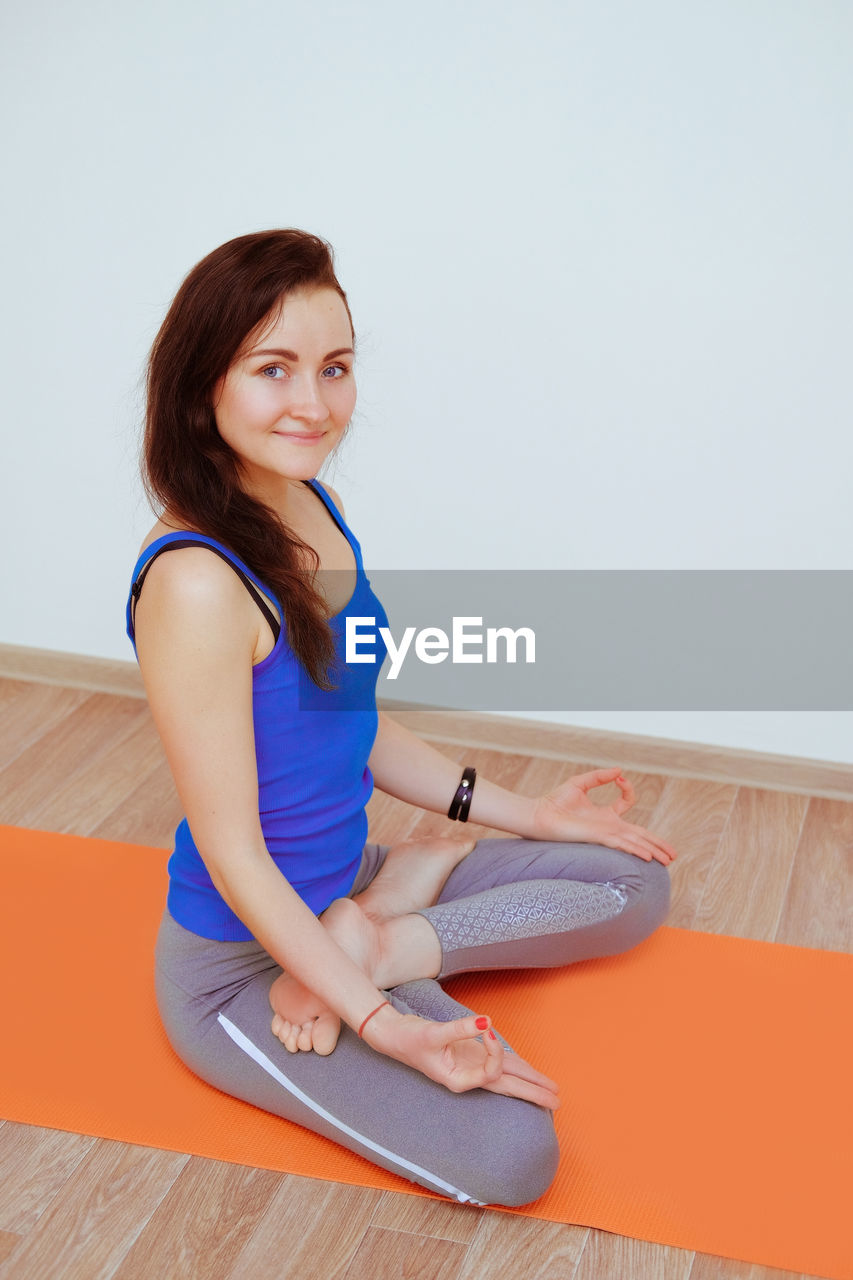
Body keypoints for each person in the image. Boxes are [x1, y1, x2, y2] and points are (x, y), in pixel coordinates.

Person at [125, 229, 676, 1207]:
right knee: (514, 1157)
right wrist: (386, 1023)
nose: (314, 401)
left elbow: (357, 727)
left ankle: (376, 929)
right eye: (273, 368)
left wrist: (534, 817)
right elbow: (234, 853)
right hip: (243, 960)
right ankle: (364, 939)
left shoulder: (312, 505)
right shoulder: (197, 582)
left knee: (632, 882)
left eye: (334, 368)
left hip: (344, 886)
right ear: (202, 380)